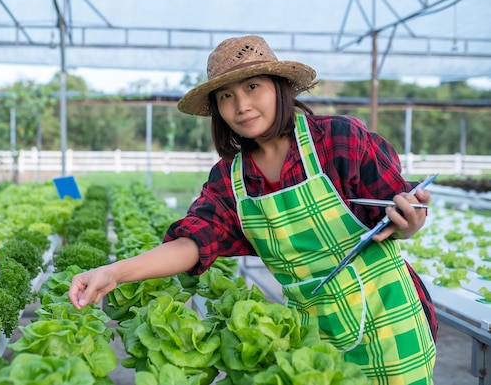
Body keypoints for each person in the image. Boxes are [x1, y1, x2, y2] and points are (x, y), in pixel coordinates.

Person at [69, 35, 437, 383]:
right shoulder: (231, 178)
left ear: (279, 87)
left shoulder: (340, 139)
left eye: (252, 87)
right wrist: (114, 272)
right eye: (226, 96)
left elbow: (397, 210)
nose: (241, 105)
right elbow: (194, 241)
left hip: (390, 318)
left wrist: (409, 222)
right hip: (308, 334)